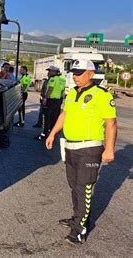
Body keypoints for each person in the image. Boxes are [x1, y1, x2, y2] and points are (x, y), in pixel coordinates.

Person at [46, 59, 117, 245]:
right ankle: (77, 218)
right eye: (74, 73)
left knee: (83, 187)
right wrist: (53, 133)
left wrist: (109, 149)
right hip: (70, 146)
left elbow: (111, 123)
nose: (75, 76)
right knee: (74, 185)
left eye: (79, 73)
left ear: (91, 74)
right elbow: (64, 114)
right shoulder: (71, 93)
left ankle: (80, 229)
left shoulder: (101, 95)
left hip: (89, 148)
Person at [34, 66, 65, 140]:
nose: (48, 73)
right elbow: (62, 90)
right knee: (54, 118)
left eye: (50, 71)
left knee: (46, 117)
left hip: (50, 100)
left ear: (55, 72)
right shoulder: (62, 79)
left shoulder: (52, 79)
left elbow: (50, 89)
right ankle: (52, 133)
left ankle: (44, 134)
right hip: (57, 100)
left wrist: (45, 98)